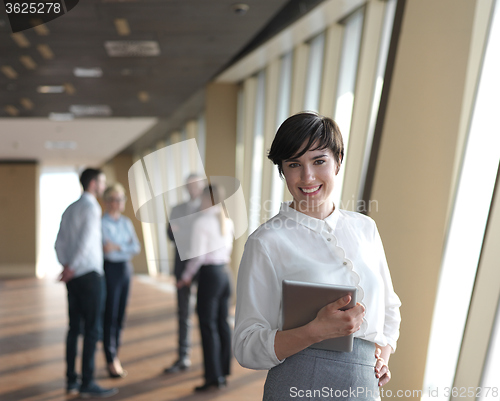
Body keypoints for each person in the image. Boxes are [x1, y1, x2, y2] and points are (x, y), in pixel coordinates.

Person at [233, 112, 401, 400]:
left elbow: (389, 308)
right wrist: (315, 331)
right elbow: (246, 345)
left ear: (338, 161)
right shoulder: (266, 242)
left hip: (363, 385)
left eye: (319, 161)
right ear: (283, 171)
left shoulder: (365, 228)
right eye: (294, 164)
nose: (307, 176)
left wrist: (382, 355)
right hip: (297, 384)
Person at [55, 168, 118, 398]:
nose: (103, 186)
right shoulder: (92, 207)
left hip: (74, 278)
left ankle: (72, 380)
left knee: (74, 329)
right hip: (90, 276)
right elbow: (85, 242)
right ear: (93, 183)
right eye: (102, 182)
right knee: (92, 330)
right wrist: (72, 266)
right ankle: (87, 383)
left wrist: (66, 266)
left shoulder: (70, 208)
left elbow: (58, 243)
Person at [177, 184, 234, 392]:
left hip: (210, 277)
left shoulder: (202, 221)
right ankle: (223, 372)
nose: (199, 201)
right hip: (225, 275)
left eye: (202, 197)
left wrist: (185, 277)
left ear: (207, 198)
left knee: (208, 327)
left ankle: (212, 377)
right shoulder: (226, 219)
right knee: (222, 324)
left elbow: (198, 257)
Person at [164, 174, 205, 373]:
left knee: (205, 313)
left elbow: (206, 236)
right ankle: (183, 356)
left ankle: (208, 361)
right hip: (182, 265)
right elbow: (170, 234)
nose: (192, 189)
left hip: (203, 267)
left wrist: (183, 229)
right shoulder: (176, 209)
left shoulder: (208, 209)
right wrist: (182, 231)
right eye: (189, 185)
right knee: (183, 313)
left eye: (196, 185)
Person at [102, 183, 141, 378]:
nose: (119, 203)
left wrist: (117, 247)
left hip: (126, 270)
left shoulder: (126, 223)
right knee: (110, 315)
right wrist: (122, 246)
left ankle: (115, 354)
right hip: (111, 271)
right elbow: (106, 252)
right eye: (115, 199)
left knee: (121, 316)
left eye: (121, 199)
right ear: (107, 202)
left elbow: (136, 247)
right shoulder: (102, 223)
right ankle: (111, 359)